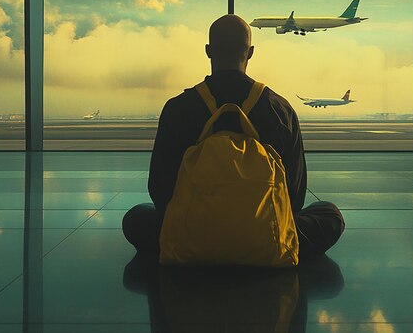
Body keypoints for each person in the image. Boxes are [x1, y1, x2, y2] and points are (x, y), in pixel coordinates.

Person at [122, 14, 345, 261]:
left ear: (208, 51)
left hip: (190, 237)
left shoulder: (177, 108)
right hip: (266, 239)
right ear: (250, 52)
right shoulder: (280, 109)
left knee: (137, 217)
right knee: (330, 214)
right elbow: (295, 194)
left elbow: (159, 188)